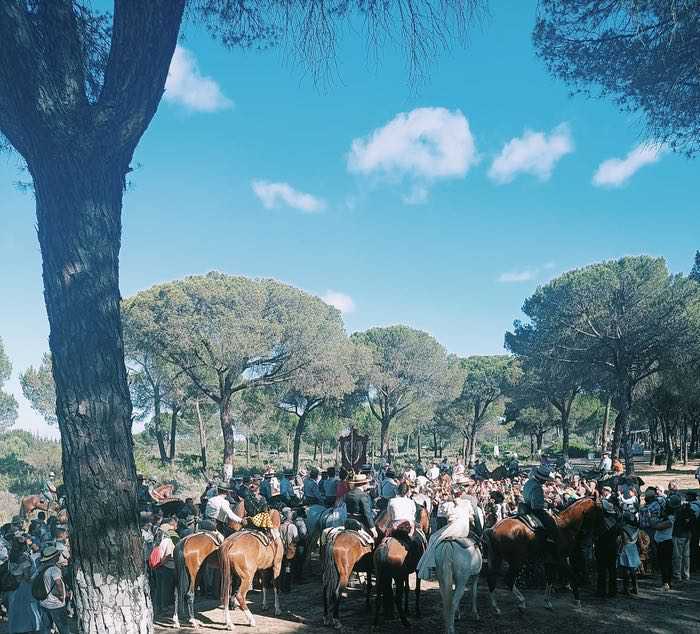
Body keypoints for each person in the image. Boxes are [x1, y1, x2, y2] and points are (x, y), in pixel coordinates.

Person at [417, 494, 472, 580]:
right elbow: (471, 518)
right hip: (465, 529)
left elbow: (445, 516)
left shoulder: (449, 505)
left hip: (455, 528)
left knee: (433, 537)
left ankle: (431, 565)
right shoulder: (467, 503)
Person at [522, 464, 559, 561]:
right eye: (545, 479)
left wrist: (544, 500)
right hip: (534, 510)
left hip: (525, 506)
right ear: (542, 479)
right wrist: (548, 505)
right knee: (551, 522)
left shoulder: (529, 482)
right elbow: (536, 506)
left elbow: (531, 497)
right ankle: (550, 541)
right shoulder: (537, 487)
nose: (545, 481)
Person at [34, 543, 70, 634]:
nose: (59, 556)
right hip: (56, 604)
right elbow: (58, 583)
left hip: (43, 602)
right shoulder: (54, 569)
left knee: (46, 628)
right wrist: (62, 595)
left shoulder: (41, 568)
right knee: (63, 628)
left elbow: (32, 579)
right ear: (54, 557)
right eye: (58, 555)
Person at [653, 494, 678, 590]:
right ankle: (668, 582)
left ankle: (666, 583)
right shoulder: (667, 517)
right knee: (665, 563)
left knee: (665, 564)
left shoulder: (670, 518)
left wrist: (654, 521)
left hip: (665, 542)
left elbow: (658, 527)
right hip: (663, 542)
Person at [672, 495, 693, 584]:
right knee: (686, 556)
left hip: (678, 535)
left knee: (677, 556)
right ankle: (686, 574)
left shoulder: (677, 512)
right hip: (687, 535)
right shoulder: (687, 509)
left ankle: (677, 575)